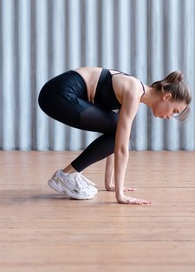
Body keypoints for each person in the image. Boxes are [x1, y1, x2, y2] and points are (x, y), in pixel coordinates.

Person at [38, 67, 191, 205]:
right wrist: (120, 195)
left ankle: (68, 174)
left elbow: (115, 137)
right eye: (174, 111)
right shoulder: (133, 92)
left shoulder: (134, 90)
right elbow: (122, 149)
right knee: (121, 131)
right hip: (58, 94)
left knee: (117, 128)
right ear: (167, 97)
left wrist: (109, 183)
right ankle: (66, 175)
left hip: (55, 93)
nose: (170, 116)